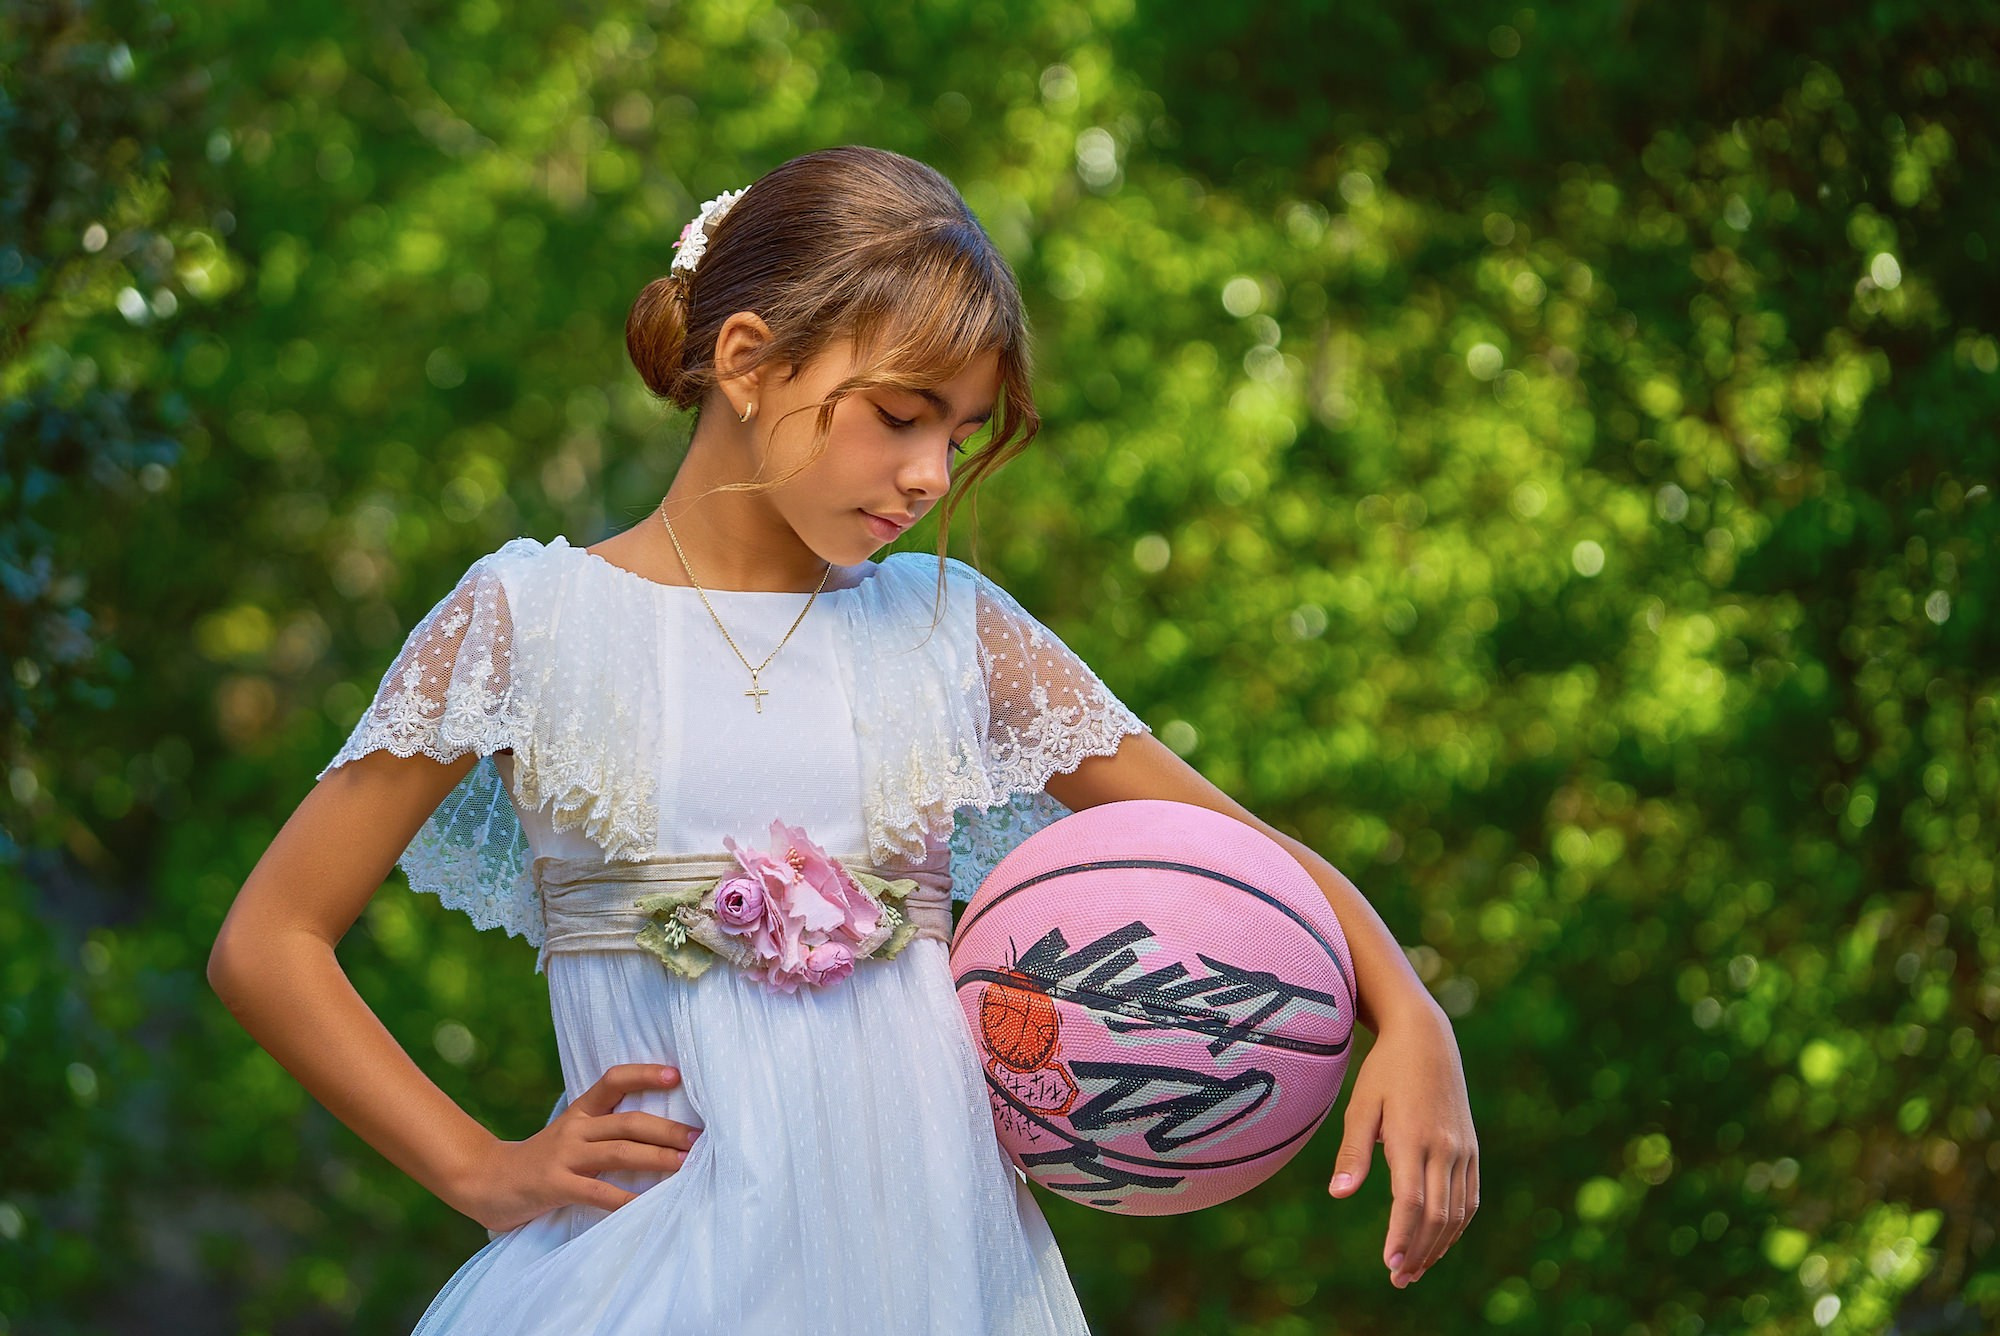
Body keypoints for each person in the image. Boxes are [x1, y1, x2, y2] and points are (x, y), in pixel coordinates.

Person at [207, 144, 1478, 1334]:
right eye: (901, 414)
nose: (931, 473)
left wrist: (1408, 1012)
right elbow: (270, 940)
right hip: (663, 1266)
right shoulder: (533, 621)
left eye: (961, 435)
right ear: (750, 361)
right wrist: (479, 1168)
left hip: (943, 1274)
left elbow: (1233, 853)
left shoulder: (954, 630)